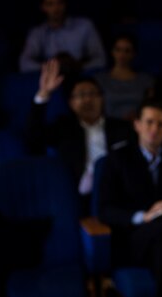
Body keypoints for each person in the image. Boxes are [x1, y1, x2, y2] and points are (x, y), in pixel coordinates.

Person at [95, 99, 162, 297]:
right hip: (134, 239)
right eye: (149, 122)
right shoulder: (117, 160)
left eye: (161, 124)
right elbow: (105, 210)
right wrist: (144, 216)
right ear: (137, 125)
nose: (154, 129)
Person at [24, 58, 134, 216]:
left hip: (119, 193)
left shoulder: (122, 128)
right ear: (71, 103)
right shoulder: (64, 128)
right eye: (81, 95)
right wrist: (44, 93)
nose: (88, 99)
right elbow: (32, 137)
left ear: (102, 99)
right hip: (80, 198)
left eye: (92, 94)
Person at [18, 0, 107, 74]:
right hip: (51, 77)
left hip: (81, 76)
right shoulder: (37, 33)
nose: (56, 8)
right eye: (50, 4)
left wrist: (78, 67)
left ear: (65, 4)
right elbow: (25, 63)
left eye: (59, 2)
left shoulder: (84, 25)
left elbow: (100, 59)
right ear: (43, 7)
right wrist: (52, 69)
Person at [94, 33, 155, 121]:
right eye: (118, 50)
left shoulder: (146, 80)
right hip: (110, 126)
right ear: (112, 52)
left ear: (134, 53)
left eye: (127, 51)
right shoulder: (99, 80)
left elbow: (151, 107)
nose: (122, 54)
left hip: (138, 124)